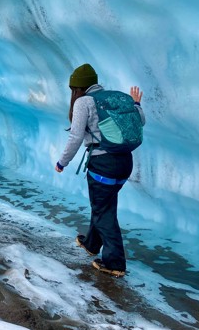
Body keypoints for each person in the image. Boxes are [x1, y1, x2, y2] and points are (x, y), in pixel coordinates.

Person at [54, 63, 145, 277]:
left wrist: (62, 162)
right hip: (125, 162)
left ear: (77, 88)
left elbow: (76, 136)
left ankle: (115, 263)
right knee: (103, 203)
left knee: (104, 210)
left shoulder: (83, 102)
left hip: (103, 164)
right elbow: (141, 120)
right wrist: (137, 103)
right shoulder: (117, 97)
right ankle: (91, 244)